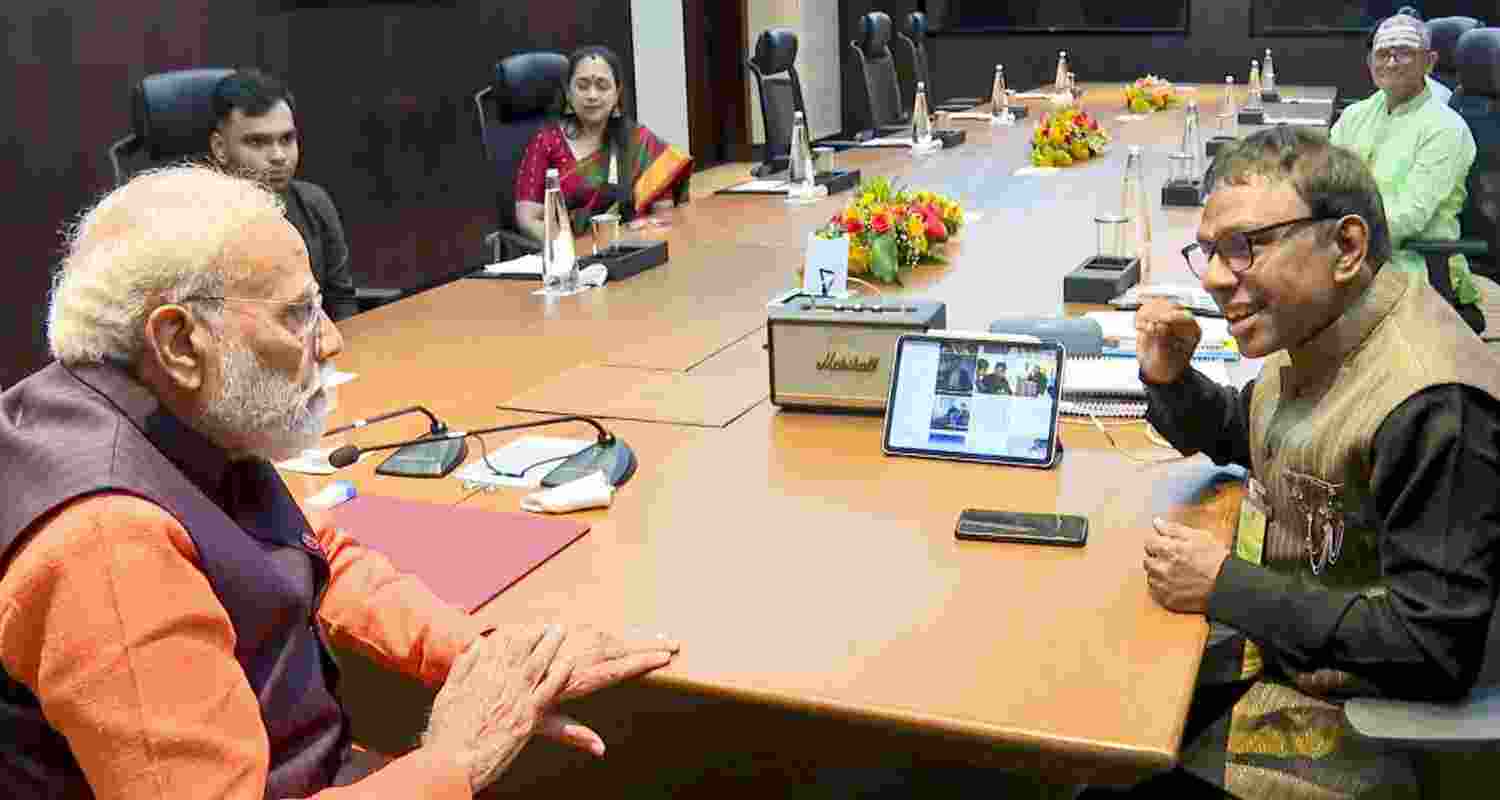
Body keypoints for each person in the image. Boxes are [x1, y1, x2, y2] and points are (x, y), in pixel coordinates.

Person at [0, 165, 680, 798]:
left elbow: (313, 557)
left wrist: (484, 655)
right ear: (179, 342)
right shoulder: (105, 541)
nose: (330, 340)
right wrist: (455, 759)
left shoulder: (169, 410)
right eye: (297, 314)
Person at [1129, 126, 1500, 798]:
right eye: (1209, 252)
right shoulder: (1326, 326)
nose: (1214, 278)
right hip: (1284, 656)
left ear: (1346, 246)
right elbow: (1269, 434)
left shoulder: (1434, 402)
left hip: (1362, 728)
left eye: (1244, 248)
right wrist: (1172, 382)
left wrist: (1224, 586)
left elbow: (1433, 648)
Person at [1333, 13, 1484, 334]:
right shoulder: (1354, 116)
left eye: (1404, 53)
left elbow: (1409, 217)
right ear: (1369, 62)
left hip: (1412, 264)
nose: (1391, 62)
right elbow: (1323, 184)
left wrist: (1334, 237)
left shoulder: (1446, 128)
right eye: (1382, 54)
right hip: (1350, 251)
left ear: (1429, 62)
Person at [210, 68, 359, 322]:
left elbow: (341, 301)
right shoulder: (195, 220)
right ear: (220, 148)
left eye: (287, 139)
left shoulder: (314, 203)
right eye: (257, 142)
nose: (279, 156)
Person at [514, 46, 693, 241]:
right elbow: (528, 219)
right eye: (582, 86)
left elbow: (663, 214)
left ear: (617, 93)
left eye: (602, 86)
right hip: (572, 258)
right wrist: (568, 249)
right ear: (568, 93)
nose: (592, 95)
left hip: (633, 250)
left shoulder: (639, 141)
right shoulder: (547, 142)